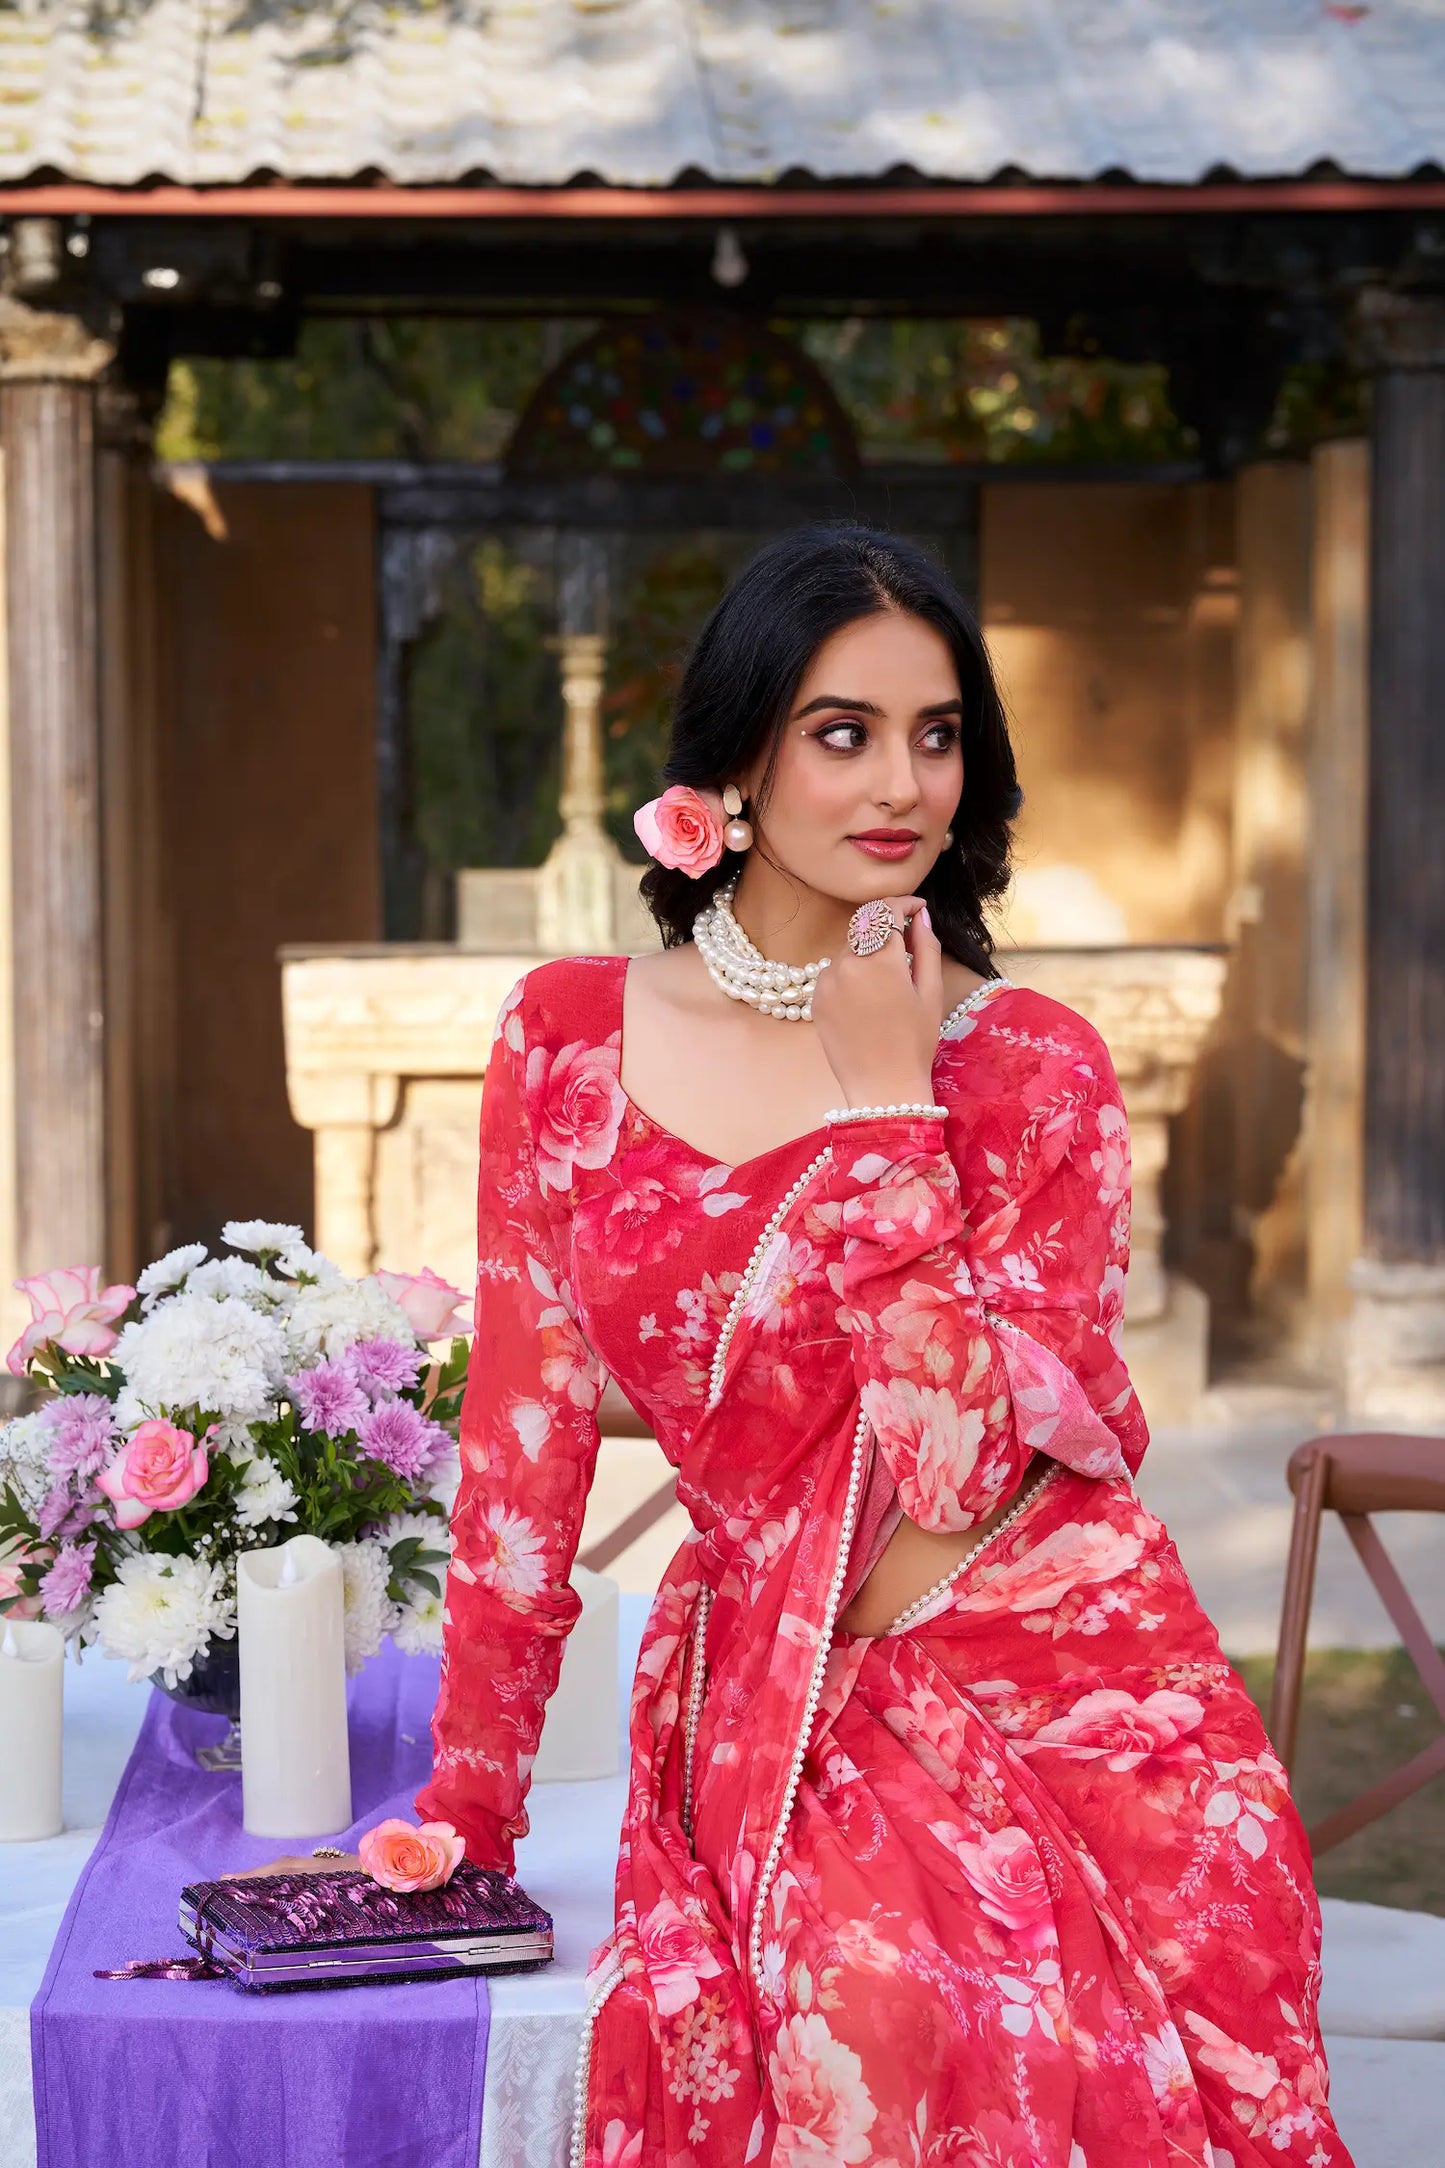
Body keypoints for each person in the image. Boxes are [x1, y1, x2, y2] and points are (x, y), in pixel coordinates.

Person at [268, 526, 1354, 2167]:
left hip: (1078, 1695)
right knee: (866, 2018)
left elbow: (962, 1472)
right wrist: (467, 1811)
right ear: (735, 760)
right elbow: (517, 1461)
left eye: (936, 734)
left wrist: (883, 1110)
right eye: (841, 732)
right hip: (783, 1687)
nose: (898, 784)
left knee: (941, 2024)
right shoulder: (565, 1043)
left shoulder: (1032, 1070)